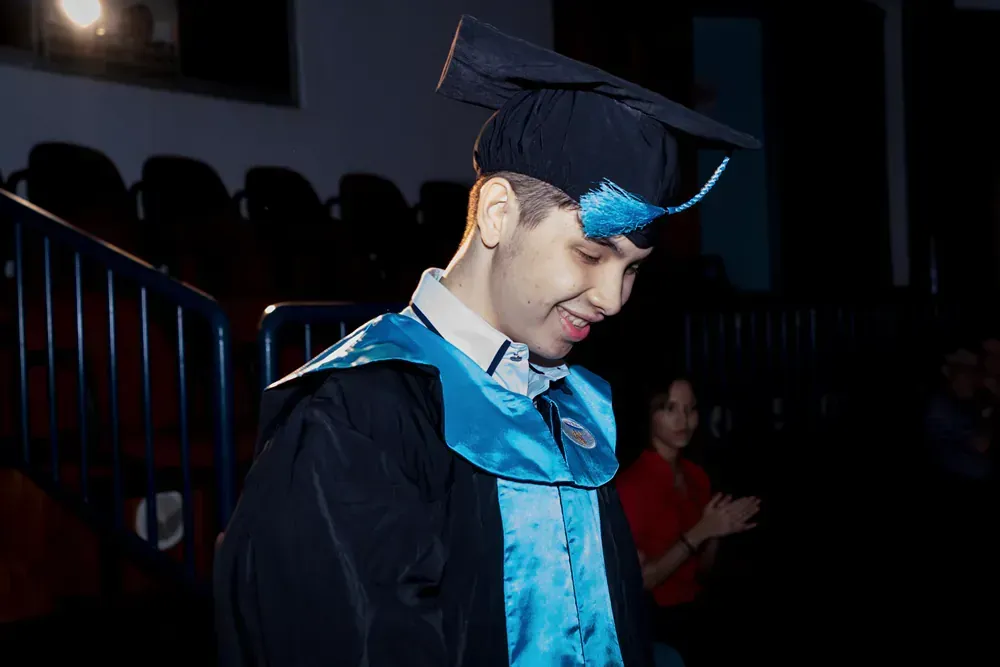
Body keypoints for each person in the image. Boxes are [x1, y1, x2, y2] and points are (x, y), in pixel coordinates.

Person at [213, 15, 759, 667]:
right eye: (590, 253)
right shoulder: (358, 417)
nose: (615, 298)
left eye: (633, 268)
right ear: (498, 213)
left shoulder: (576, 408)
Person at [616, 377, 759, 666]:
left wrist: (718, 528)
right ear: (650, 414)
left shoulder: (696, 476)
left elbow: (701, 570)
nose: (684, 420)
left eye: (690, 409)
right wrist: (700, 532)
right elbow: (638, 582)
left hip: (695, 611)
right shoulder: (631, 486)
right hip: (654, 624)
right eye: (671, 409)